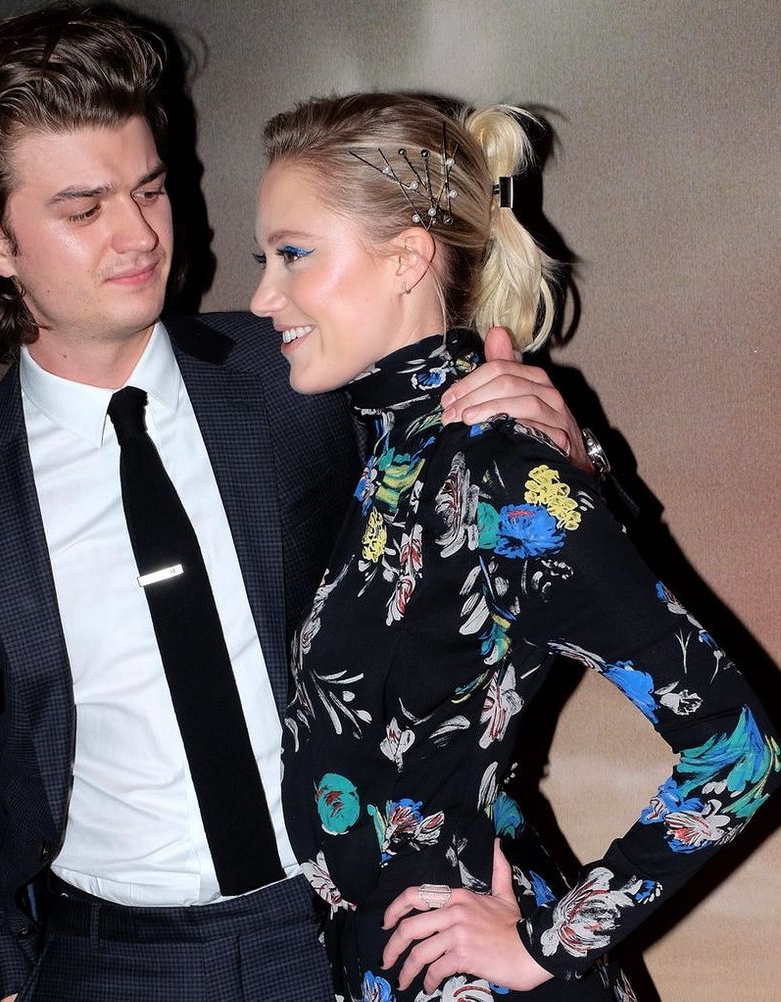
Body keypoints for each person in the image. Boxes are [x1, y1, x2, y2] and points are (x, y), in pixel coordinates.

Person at [0, 7, 593, 1001]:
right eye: (83, 209)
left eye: (149, 188)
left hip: (355, 916)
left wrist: (565, 460)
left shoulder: (301, 370)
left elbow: (506, 553)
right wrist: (0, 979)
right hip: (113, 961)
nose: (138, 234)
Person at [250, 92, 779, 1002]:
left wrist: (552, 943)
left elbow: (741, 747)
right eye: (265, 260)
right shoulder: (386, 454)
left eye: (292, 254)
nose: (263, 296)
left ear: (407, 258)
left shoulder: (495, 467)